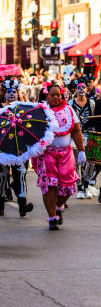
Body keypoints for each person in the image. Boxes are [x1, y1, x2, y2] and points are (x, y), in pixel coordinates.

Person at [32, 84, 87, 230]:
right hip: (46, 154)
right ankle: (52, 218)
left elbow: (76, 131)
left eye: (59, 95)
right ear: (46, 96)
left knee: (69, 184)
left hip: (66, 154)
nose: (56, 97)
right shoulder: (40, 111)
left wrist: (81, 150)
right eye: (53, 95)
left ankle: (57, 206)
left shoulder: (69, 110)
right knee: (50, 184)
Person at [0, 78, 34, 217]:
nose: (12, 95)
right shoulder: (0, 108)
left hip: (19, 149)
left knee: (20, 175)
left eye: (14, 92)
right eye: (9, 92)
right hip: (2, 148)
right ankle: (0, 205)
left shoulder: (22, 108)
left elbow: (29, 126)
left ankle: (22, 205)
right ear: (4, 93)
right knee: (1, 177)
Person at [68, 77, 96, 199]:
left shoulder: (91, 103)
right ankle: (79, 187)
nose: (81, 90)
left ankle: (85, 185)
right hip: (75, 137)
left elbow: (94, 119)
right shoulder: (70, 103)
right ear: (76, 89)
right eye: (79, 88)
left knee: (91, 162)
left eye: (83, 87)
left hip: (89, 135)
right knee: (76, 163)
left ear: (86, 89)